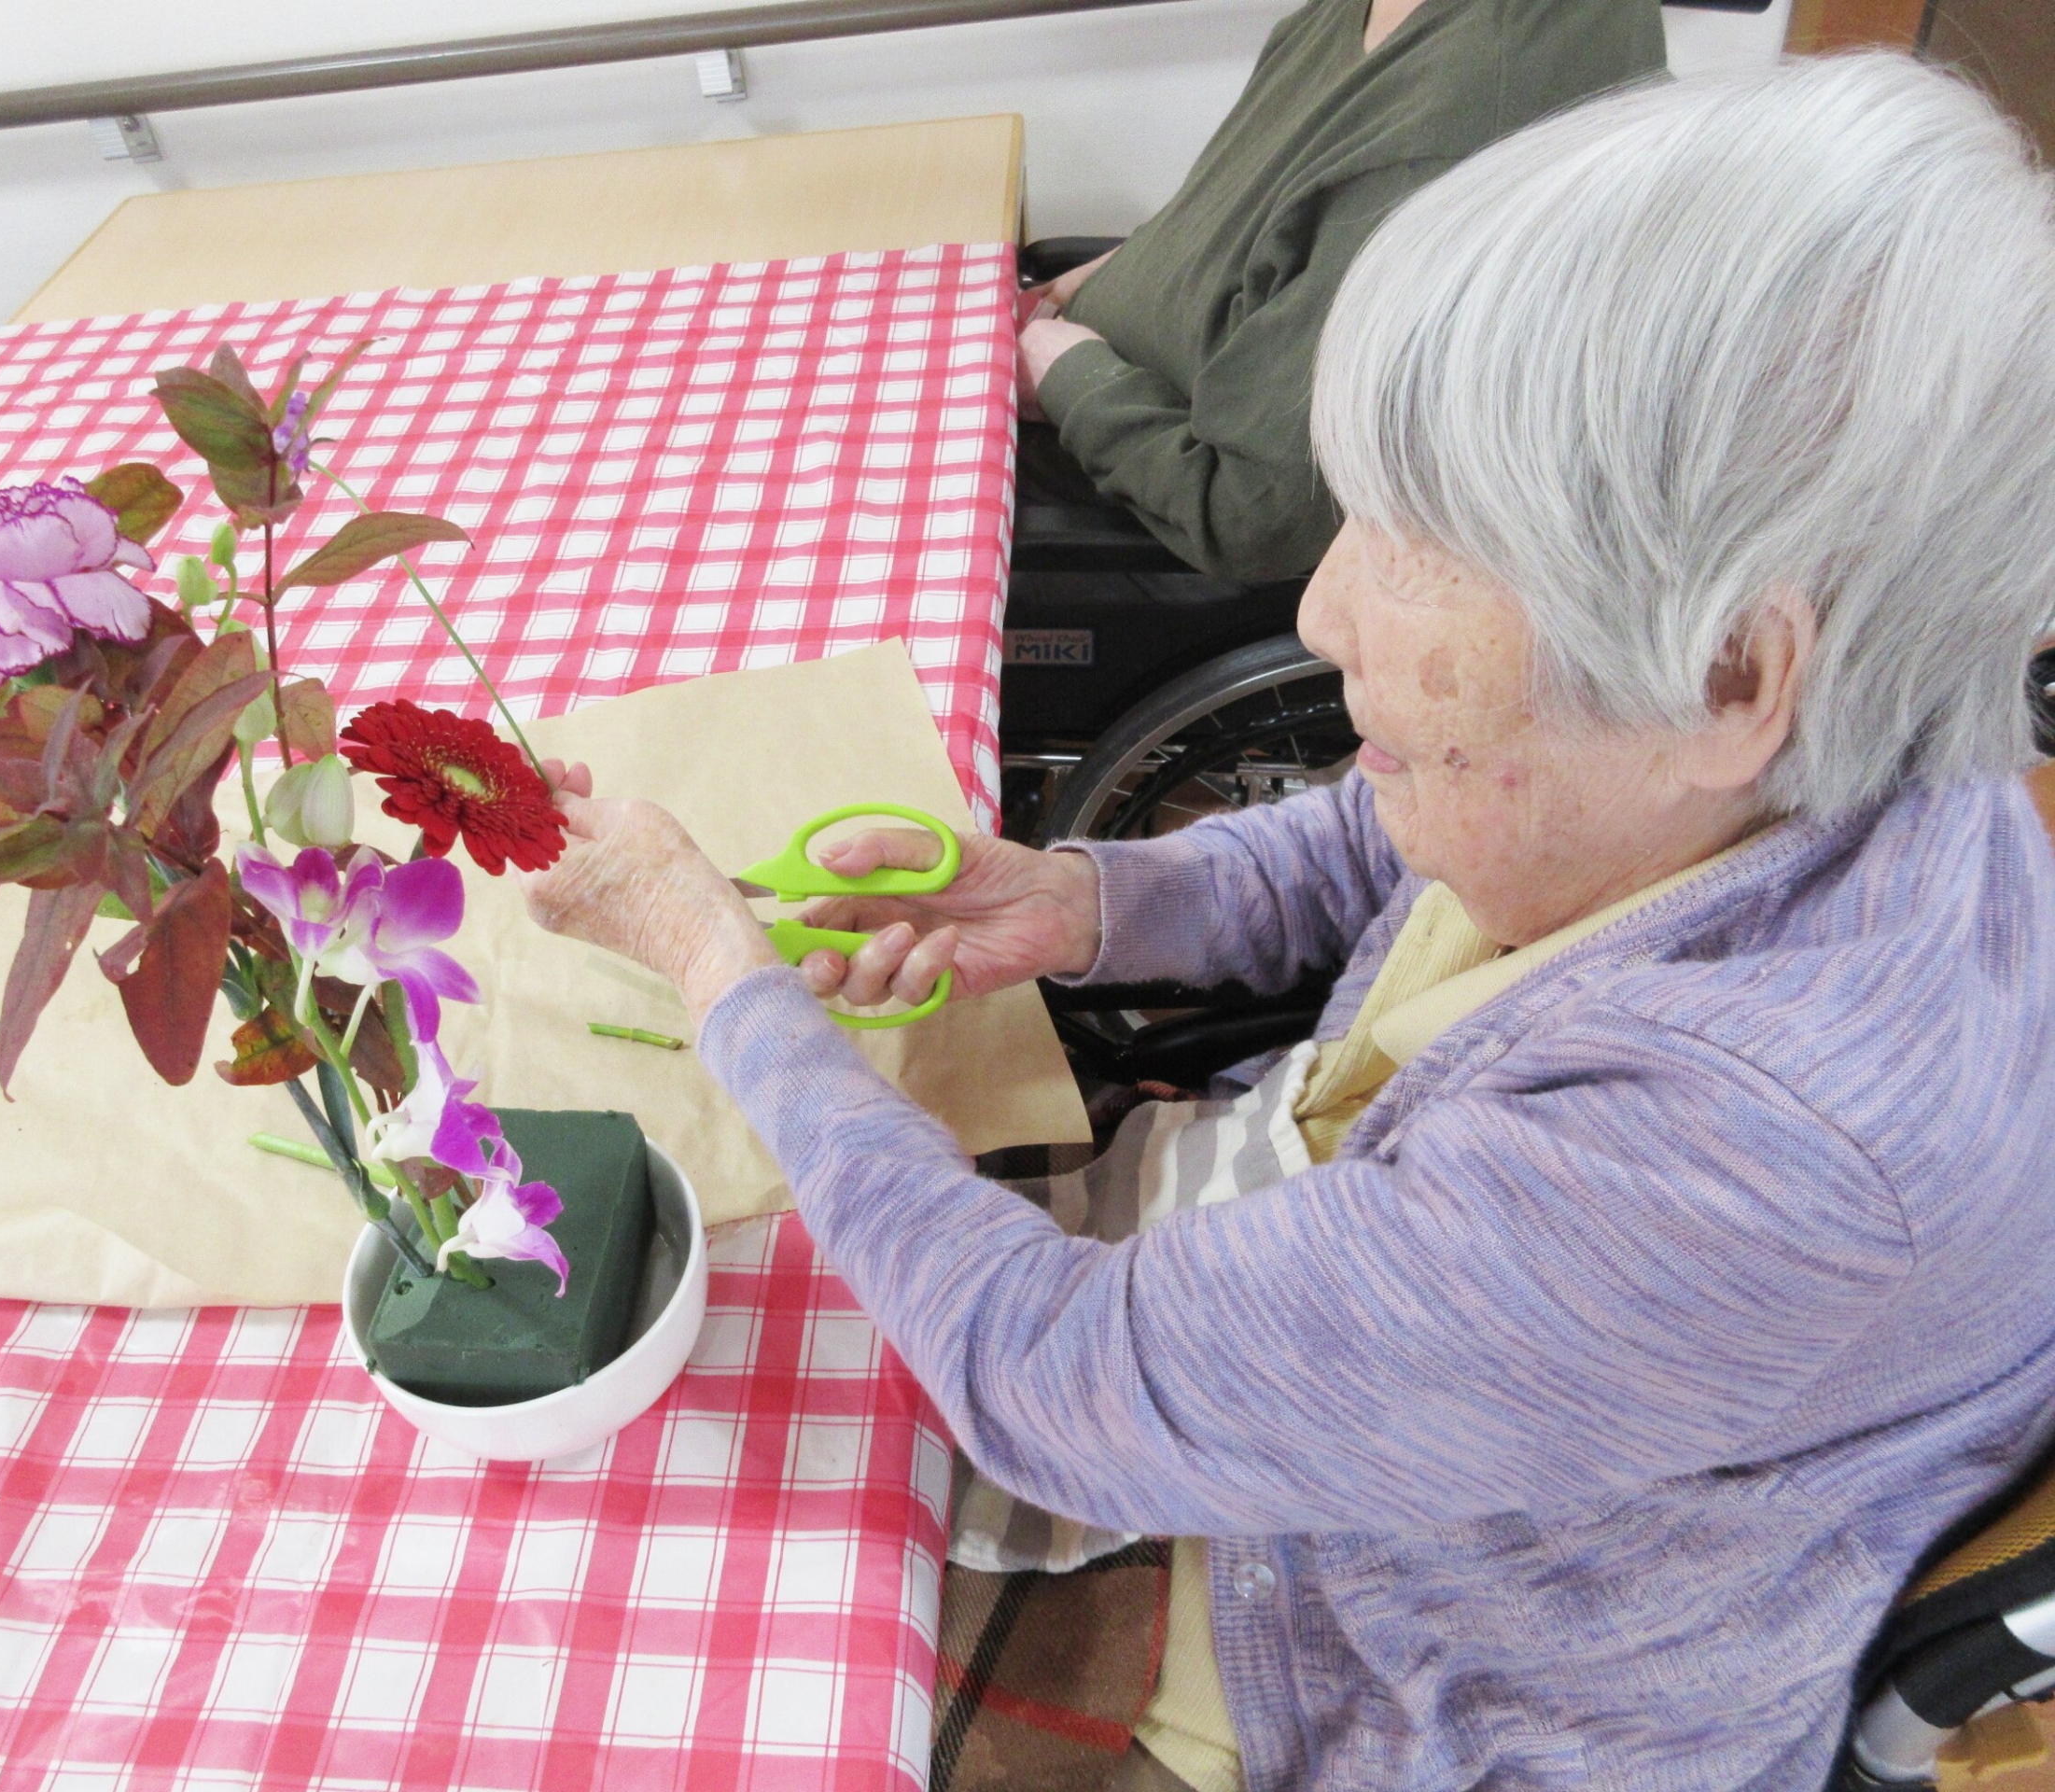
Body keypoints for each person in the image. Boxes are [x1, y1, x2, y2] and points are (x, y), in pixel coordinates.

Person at [520, 55, 2055, 1792]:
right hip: (1356, 1323)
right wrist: (1084, 899)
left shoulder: (1741, 1159)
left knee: (659, 1577)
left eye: (1423, 544)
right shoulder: (1803, 760)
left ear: (1729, 671)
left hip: (1399, 1667)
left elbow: (1055, 1389)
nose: (1322, 607)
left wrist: (718, 968)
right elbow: (1380, 843)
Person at [1014, 0, 1665, 586]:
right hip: (1100, 371)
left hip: (1137, 471)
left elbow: (1248, 517)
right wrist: (1112, 270)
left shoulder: (1435, 128)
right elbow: (1264, 216)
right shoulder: (1365, 21)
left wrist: (1067, 376)